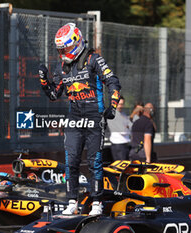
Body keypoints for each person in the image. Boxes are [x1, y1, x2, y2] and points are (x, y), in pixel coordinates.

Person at [39, 23, 121, 215]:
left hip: (94, 117)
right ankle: (71, 202)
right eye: (60, 49)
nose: (62, 53)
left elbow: (113, 81)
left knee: (94, 161)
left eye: (65, 48)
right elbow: (54, 94)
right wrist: (44, 82)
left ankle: (97, 202)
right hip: (74, 119)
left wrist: (113, 106)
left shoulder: (94, 59)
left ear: (76, 42)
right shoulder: (63, 67)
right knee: (71, 161)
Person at [107, 96, 132, 161]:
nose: (121, 106)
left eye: (122, 104)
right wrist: (126, 127)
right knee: (121, 167)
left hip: (124, 144)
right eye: (119, 104)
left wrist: (127, 127)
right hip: (118, 145)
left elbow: (131, 126)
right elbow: (123, 131)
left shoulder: (123, 114)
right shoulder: (113, 114)